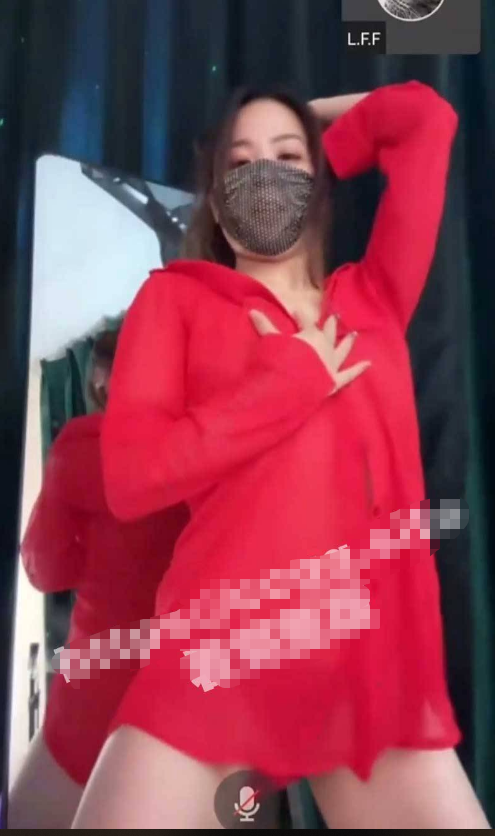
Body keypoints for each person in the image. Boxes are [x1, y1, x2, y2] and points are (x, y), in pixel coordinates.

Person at [72, 82, 489, 829]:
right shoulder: (174, 300)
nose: (264, 173)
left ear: (318, 181)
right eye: (240, 162)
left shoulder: (373, 298)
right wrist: (288, 384)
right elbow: (132, 479)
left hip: (364, 664)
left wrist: (314, 119)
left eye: (286, 157)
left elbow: (426, 118)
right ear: (214, 193)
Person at [8, 329, 189, 829]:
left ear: (105, 380)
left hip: (97, 689)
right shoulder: (206, 443)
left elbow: (47, 569)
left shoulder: (85, 446)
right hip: (184, 693)